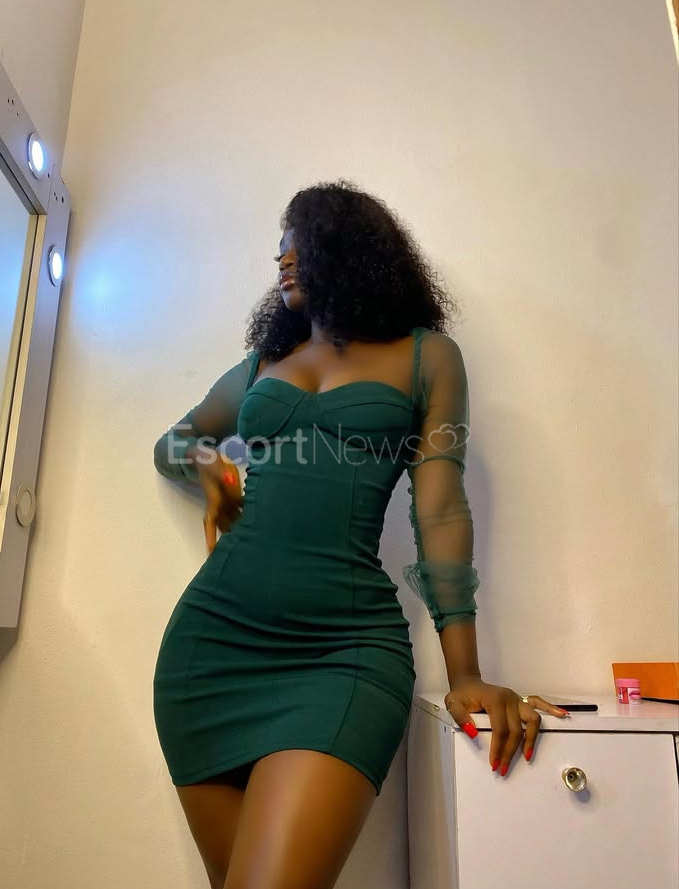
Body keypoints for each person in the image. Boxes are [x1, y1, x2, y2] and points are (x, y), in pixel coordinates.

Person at [152, 179, 568, 889]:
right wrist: (208, 468)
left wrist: (466, 674)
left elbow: (439, 511)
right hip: (210, 653)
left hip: (341, 655)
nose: (283, 259)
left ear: (348, 250)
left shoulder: (426, 357)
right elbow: (174, 440)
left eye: (298, 244)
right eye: (279, 248)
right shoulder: (262, 367)